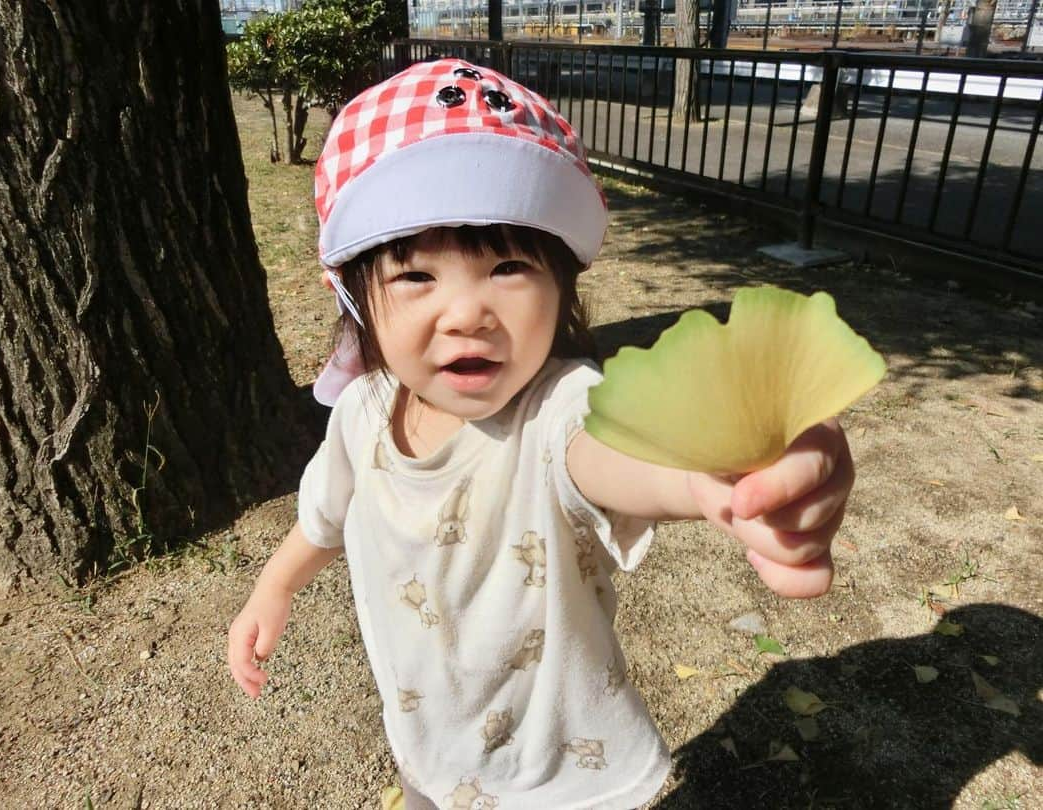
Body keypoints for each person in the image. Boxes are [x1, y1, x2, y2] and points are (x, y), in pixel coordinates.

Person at [227, 58, 854, 810]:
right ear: (358, 299)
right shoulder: (362, 412)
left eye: (509, 265)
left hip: (561, 780)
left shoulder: (557, 409)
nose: (465, 313)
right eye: (416, 276)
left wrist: (705, 475)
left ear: (562, 287)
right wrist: (273, 588)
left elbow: (613, 451)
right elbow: (322, 519)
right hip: (430, 751)